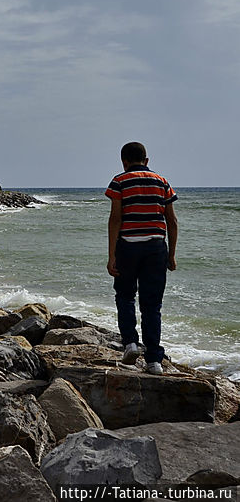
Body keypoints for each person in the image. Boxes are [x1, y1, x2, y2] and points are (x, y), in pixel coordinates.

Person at [106, 142, 178, 376]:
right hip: (156, 248)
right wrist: (171, 254)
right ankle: (154, 361)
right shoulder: (162, 182)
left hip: (128, 247)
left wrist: (111, 255)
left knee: (125, 296)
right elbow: (172, 221)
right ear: (146, 161)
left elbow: (115, 219)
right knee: (152, 305)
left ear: (124, 161)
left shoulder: (119, 181)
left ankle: (130, 343)